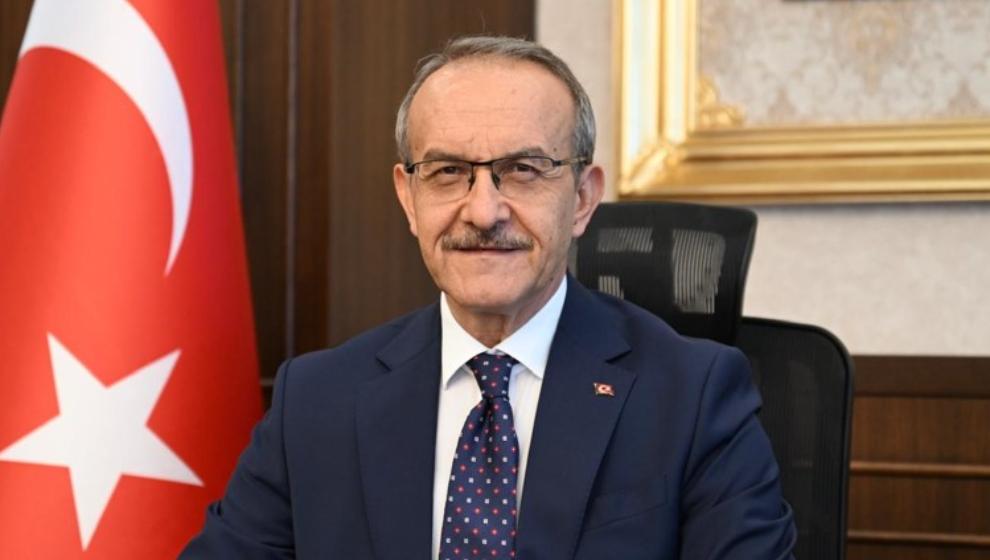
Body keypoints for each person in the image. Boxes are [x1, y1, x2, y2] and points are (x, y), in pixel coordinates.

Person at [182, 35, 796, 559]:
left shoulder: (694, 397)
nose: (483, 211)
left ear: (582, 198)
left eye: (524, 169)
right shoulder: (317, 401)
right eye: (448, 171)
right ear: (408, 198)